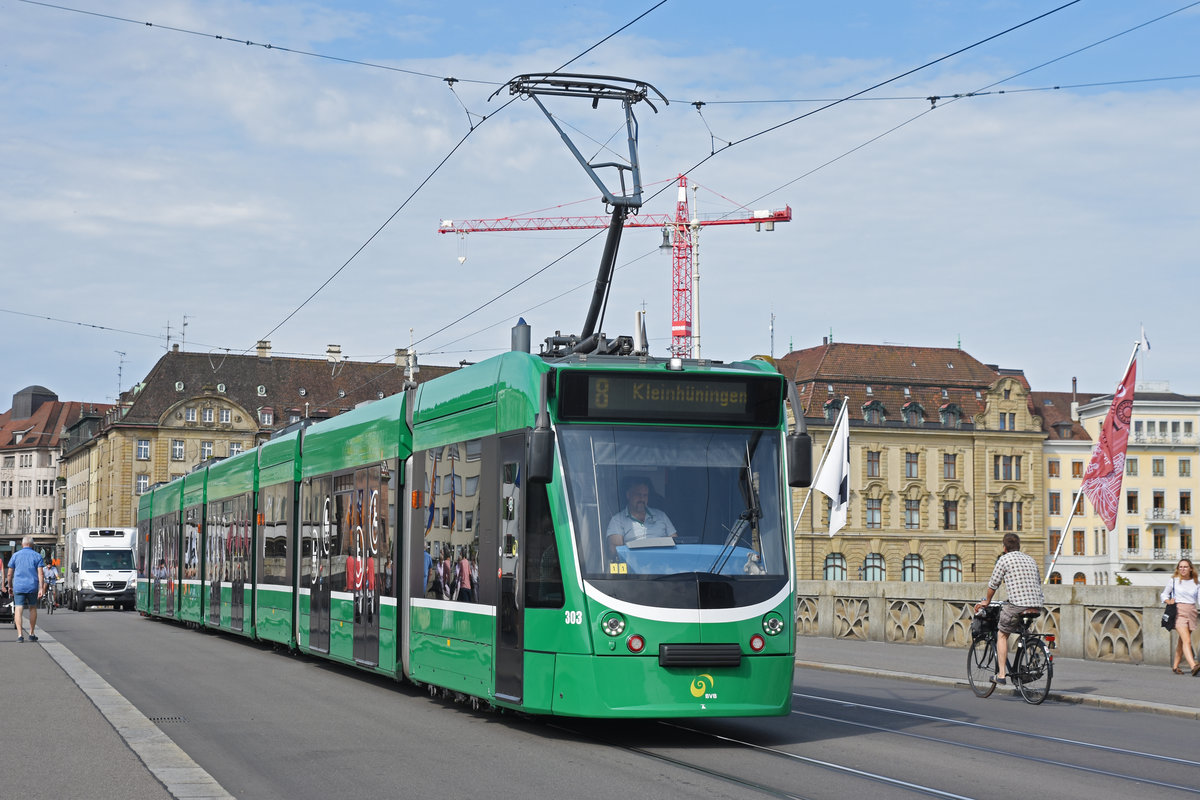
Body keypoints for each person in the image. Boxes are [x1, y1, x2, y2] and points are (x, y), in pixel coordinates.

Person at [972, 533, 1044, 685]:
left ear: (1004, 548)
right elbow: (1038, 582)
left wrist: (987, 601)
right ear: (1019, 546)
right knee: (1023, 629)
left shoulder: (1004, 559)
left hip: (1018, 605)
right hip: (1036, 604)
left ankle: (1001, 675)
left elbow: (994, 584)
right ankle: (1032, 654)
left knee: (1002, 634)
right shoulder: (1030, 559)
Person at [606, 477, 677, 556]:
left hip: (662, 561)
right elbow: (615, 550)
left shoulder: (661, 516)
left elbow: (676, 543)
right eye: (638, 495)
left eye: (645, 495)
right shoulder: (617, 520)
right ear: (628, 495)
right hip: (633, 561)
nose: (642, 499)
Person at [1162, 558, 1200, 675]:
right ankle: (1193, 666)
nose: (1182, 569)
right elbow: (1164, 594)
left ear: (1191, 569)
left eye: (1185, 567)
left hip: (1192, 611)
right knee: (1187, 640)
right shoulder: (1174, 581)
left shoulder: (1196, 582)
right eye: (1180, 567)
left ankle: (1175, 666)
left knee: (1182, 641)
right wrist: (1168, 601)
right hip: (1178, 612)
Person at [6, 535, 46, 643]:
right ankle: (31, 634)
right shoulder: (37, 556)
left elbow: (9, 574)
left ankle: (20, 635)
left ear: (22, 544)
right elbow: (41, 574)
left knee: (18, 609)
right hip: (32, 586)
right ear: (32, 545)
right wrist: (41, 588)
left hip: (18, 586)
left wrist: (10, 586)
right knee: (32, 608)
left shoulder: (15, 555)